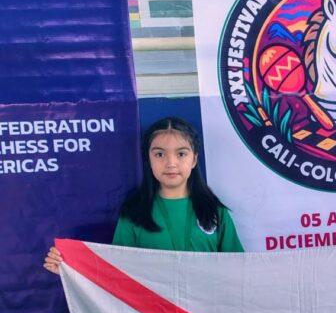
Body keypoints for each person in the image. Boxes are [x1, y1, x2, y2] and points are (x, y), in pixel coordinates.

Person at [44, 116, 243, 273]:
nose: (171, 163)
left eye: (181, 154)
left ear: (194, 159)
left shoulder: (215, 212)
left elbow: (239, 270)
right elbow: (116, 274)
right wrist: (71, 269)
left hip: (205, 311)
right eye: (159, 154)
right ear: (149, 159)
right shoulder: (134, 214)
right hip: (153, 311)